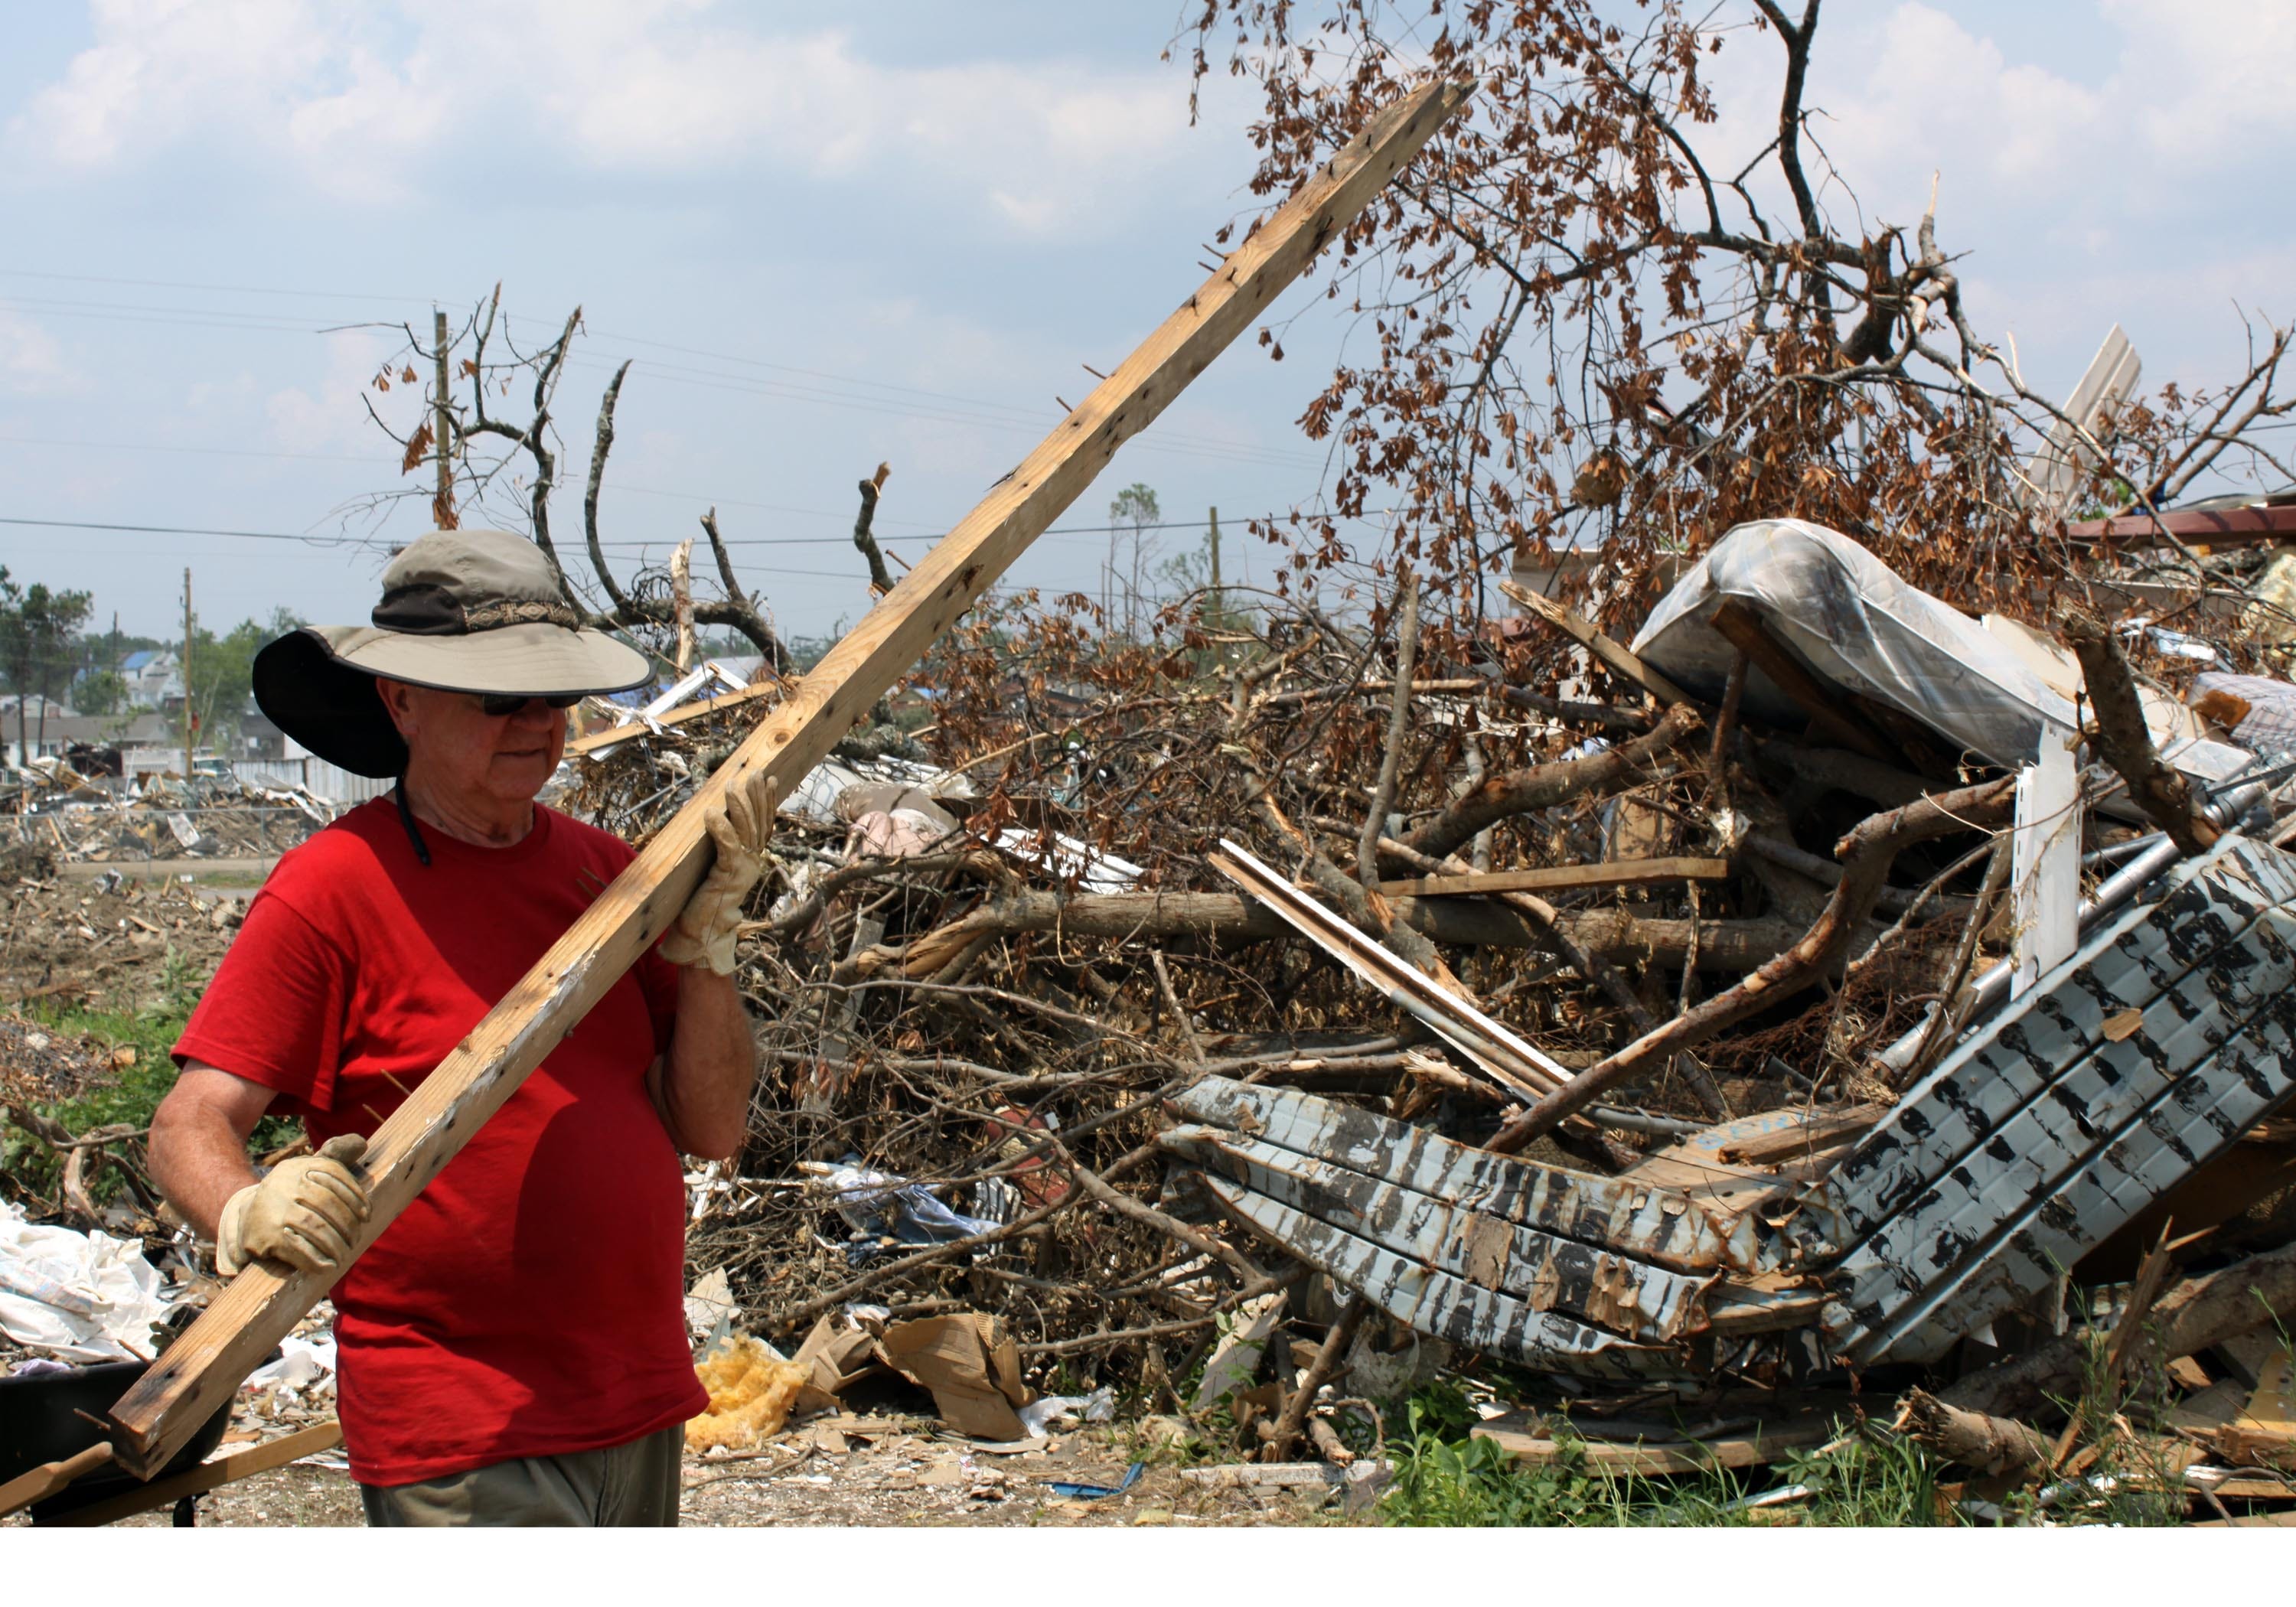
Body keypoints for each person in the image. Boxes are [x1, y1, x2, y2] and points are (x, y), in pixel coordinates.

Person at [148, 530, 767, 1527]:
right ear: (401, 699)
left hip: (633, 1394)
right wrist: (245, 1210)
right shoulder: (334, 889)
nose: (535, 724)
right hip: (458, 1421)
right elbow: (188, 1125)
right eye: (498, 699)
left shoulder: (611, 881)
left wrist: (712, 956)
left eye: (551, 698)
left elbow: (715, 1126)